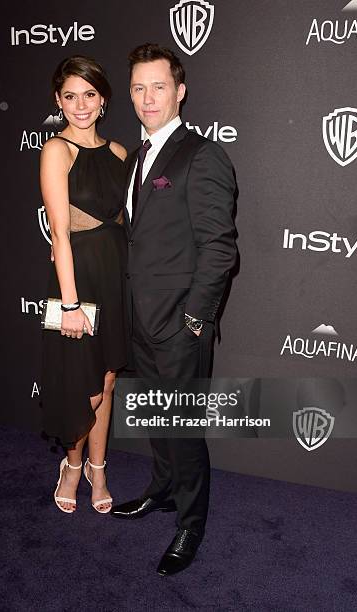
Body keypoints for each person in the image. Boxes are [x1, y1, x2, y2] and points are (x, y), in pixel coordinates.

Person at [110, 44, 238, 575]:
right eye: (138, 87)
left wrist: (195, 319)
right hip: (139, 319)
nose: (147, 98)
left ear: (180, 91)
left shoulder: (202, 155)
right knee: (157, 421)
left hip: (180, 324)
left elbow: (220, 247)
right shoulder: (137, 156)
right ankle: (161, 490)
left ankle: (191, 523)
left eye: (158, 86)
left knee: (183, 429)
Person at [40, 56, 128, 514]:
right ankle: (71, 466)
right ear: (58, 101)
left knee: (108, 382)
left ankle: (99, 468)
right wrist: (70, 304)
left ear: (104, 100)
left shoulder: (118, 154)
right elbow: (60, 232)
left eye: (89, 95)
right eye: (70, 96)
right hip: (78, 282)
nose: (80, 105)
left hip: (115, 277)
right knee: (84, 387)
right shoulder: (58, 150)